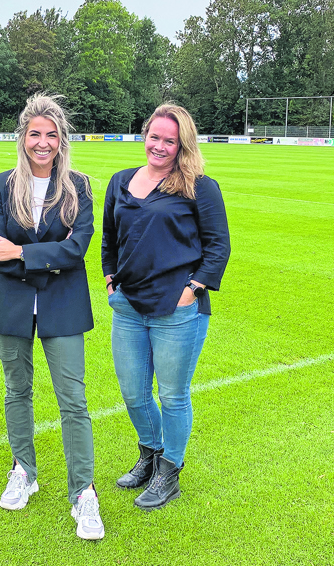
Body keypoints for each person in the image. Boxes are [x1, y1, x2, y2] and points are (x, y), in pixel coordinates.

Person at [0, 94, 103, 539]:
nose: (43, 142)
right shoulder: (0, 185)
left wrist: (22, 251)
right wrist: (38, 255)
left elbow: (77, 250)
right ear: (23, 137)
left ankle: (83, 495)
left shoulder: (80, 186)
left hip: (63, 305)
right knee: (18, 390)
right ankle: (23, 471)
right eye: (35, 133)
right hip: (12, 304)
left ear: (62, 140)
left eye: (52, 135)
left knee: (73, 400)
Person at [101, 104, 231, 511]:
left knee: (172, 396)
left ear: (181, 144)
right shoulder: (121, 181)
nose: (159, 146)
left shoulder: (198, 186)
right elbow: (109, 238)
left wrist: (191, 289)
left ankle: (169, 472)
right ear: (144, 136)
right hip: (127, 306)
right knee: (134, 393)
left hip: (177, 310)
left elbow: (218, 247)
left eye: (169, 141)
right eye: (153, 137)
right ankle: (150, 455)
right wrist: (109, 280)